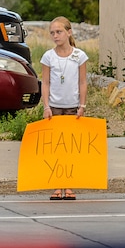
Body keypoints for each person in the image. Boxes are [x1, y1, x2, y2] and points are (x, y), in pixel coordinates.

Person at [40, 16, 88, 201]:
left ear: (69, 32)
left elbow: (82, 82)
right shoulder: (48, 56)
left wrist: (82, 105)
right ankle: (55, 185)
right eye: (52, 33)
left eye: (59, 32)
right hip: (54, 107)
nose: (55, 36)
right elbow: (45, 82)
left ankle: (69, 185)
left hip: (72, 107)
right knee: (55, 148)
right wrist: (46, 106)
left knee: (70, 148)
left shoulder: (79, 55)